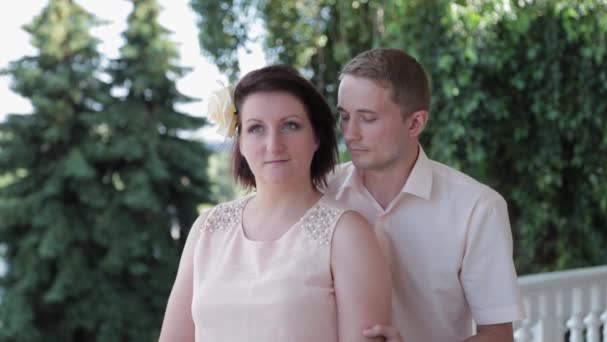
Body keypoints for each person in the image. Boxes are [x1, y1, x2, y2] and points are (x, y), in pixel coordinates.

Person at [158, 65, 392, 342]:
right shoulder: (207, 229)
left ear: (316, 137)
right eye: (256, 128)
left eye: (290, 125)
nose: (274, 144)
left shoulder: (348, 234)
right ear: (240, 142)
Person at [325, 48, 525, 341]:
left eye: (367, 118)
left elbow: (498, 335)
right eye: (344, 117)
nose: (350, 133)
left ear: (415, 123)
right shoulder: (321, 192)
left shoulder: (477, 208)